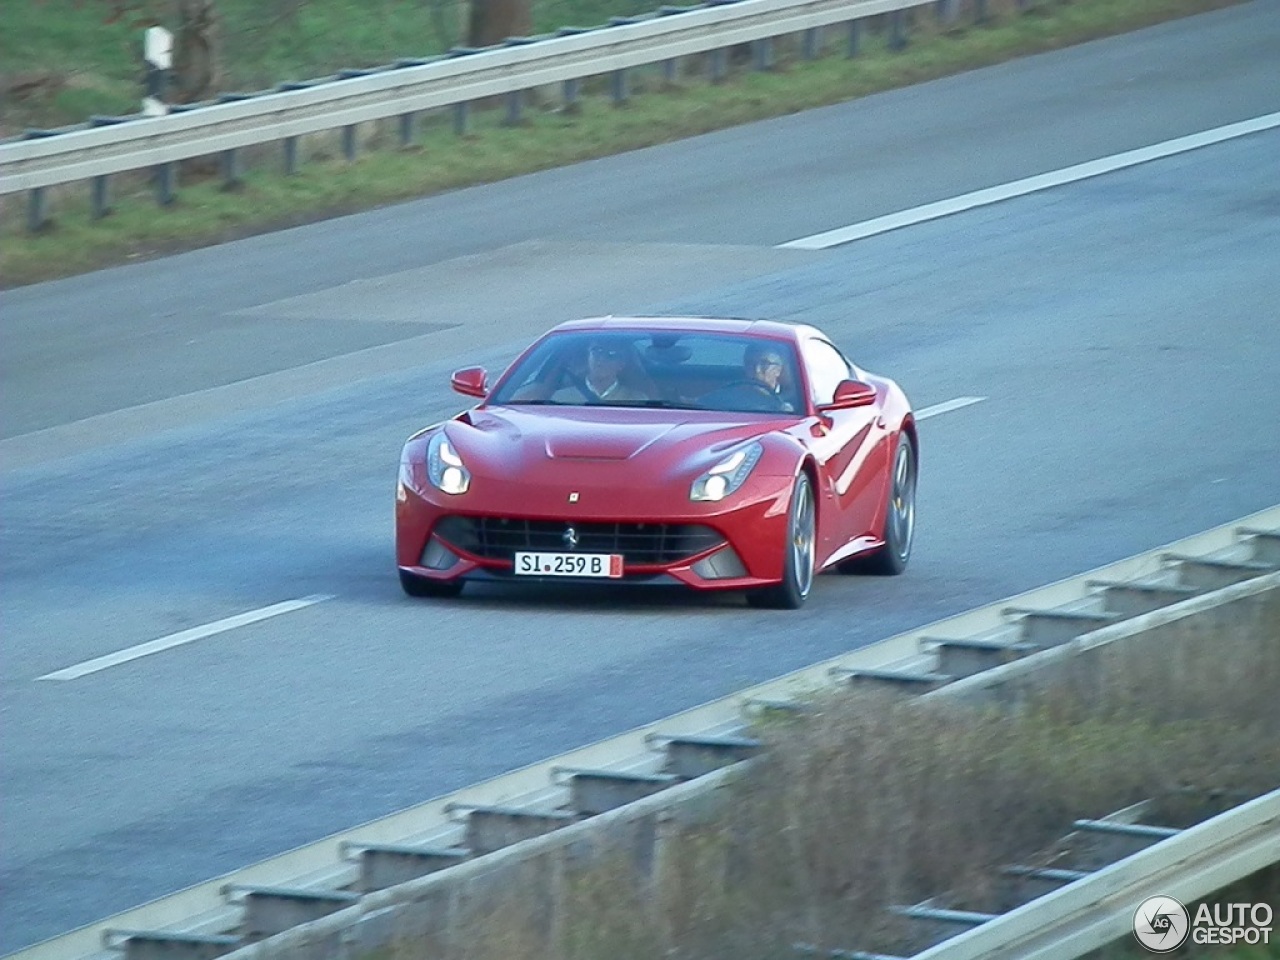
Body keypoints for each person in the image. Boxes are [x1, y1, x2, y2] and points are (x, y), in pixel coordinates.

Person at [700, 342, 796, 412]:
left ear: (778, 369)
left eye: (765, 364)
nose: (757, 370)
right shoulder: (728, 397)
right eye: (750, 364)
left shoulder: (797, 401)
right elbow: (701, 404)